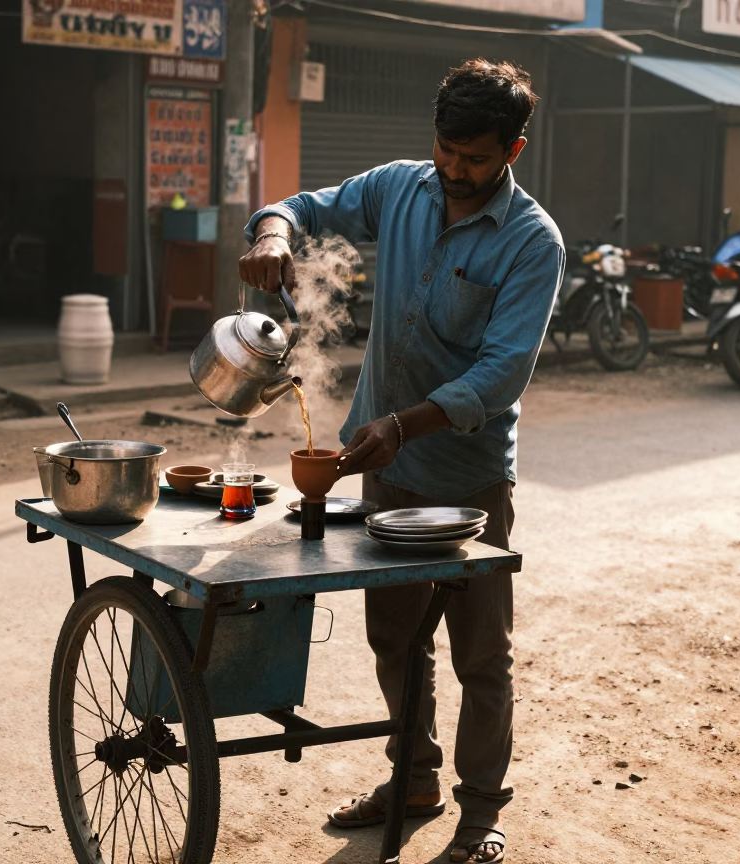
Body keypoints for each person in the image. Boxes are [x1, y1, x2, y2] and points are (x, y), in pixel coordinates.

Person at [239, 59, 564, 863]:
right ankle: (413, 778)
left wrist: (404, 424)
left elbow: (500, 373)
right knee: (395, 640)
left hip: (468, 484)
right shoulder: (402, 187)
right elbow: (300, 207)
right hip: (386, 473)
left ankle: (481, 813)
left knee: (481, 657)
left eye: (477, 159)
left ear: (512, 151)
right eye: (447, 151)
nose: (457, 172)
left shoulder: (532, 242)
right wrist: (274, 231)